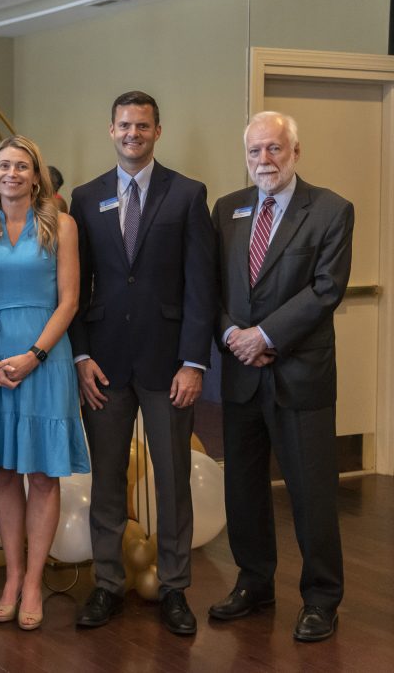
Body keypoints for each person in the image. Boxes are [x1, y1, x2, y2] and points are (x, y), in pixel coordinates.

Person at [69, 90, 215, 636]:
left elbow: (202, 286)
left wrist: (194, 362)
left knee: (172, 479)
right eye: (124, 126)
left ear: (158, 130)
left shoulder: (187, 194)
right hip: (103, 364)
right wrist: (80, 354)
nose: (133, 134)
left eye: (143, 126)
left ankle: (175, 587)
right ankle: (107, 583)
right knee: (106, 478)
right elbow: (74, 288)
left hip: (168, 363)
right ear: (111, 130)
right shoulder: (86, 198)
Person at [208, 111, 352, 642]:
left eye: (273, 149)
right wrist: (231, 336)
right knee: (243, 487)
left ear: (295, 152)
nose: (263, 161)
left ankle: (321, 599)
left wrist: (263, 336)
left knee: (311, 492)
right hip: (241, 374)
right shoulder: (227, 209)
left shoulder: (332, 210)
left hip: (299, 374)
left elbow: (325, 289)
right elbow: (213, 287)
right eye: (254, 152)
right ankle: (254, 582)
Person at [0, 135, 90, 631]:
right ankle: (12, 578)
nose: (11, 174)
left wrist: (34, 355)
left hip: (44, 356)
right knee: (5, 472)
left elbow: (70, 300)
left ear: (37, 176)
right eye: (3, 166)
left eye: (21, 166)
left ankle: (35, 580)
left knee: (41, 473)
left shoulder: (62, 225)